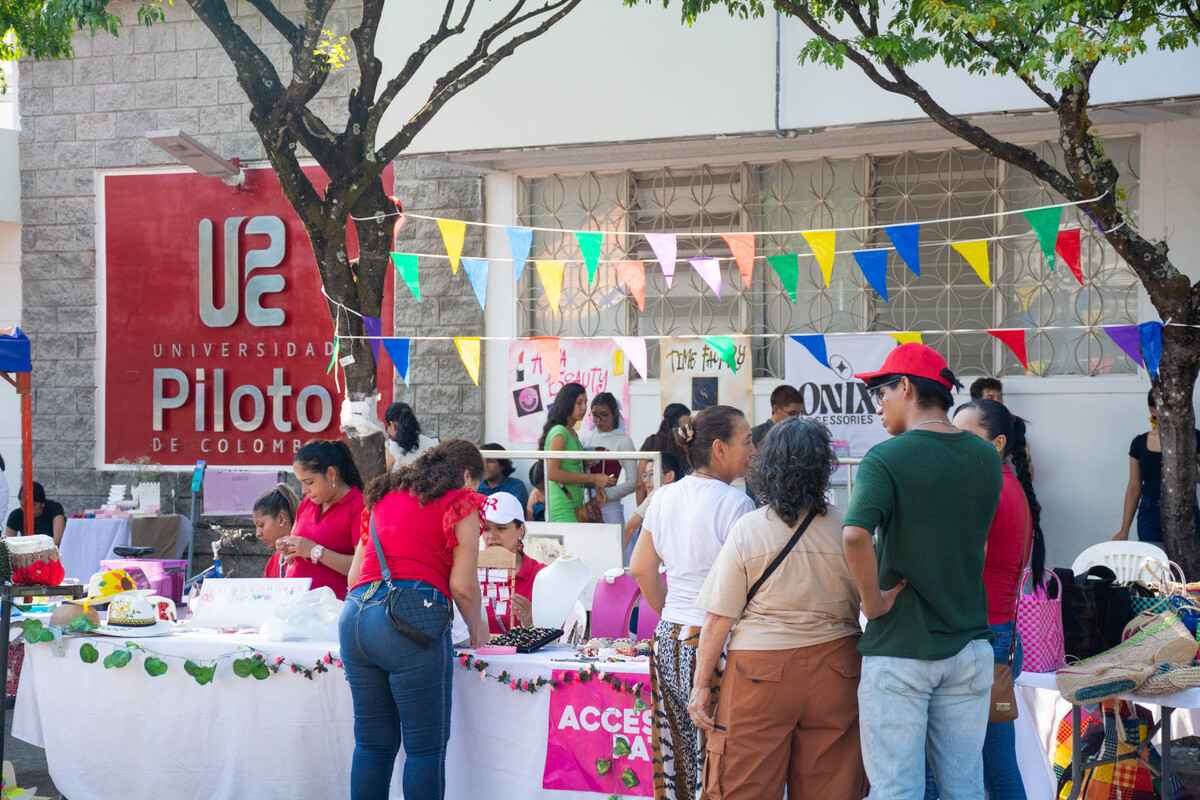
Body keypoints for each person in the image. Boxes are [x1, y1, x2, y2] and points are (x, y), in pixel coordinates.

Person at [843, 343, 1002, 799]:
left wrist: (872, 602)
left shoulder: (886, 458)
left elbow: (854, 535)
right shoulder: (985, 457)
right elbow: (981, 542)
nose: (879, 405)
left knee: (897, 789)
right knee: (965, 787)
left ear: (907, 387)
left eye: (882, 392)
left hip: (901, 648)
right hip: (970, 643)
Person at [688, 417, 866, 799]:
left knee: (744, 785)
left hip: (758, 673)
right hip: (837, 670)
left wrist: (701, 686)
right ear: (823, 468)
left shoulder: (750, 529)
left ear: (769, 467)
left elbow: (719, 618)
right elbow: (872, 601)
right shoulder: (848, 528)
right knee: (831, 787)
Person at [342, 439, 488, 800]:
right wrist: (479, 631)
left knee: (372, 745)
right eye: (478, 485)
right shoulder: (461, 502)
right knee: (424, 749)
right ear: (467, 476)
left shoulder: (381, 497)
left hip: (355, 618)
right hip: (406, 626)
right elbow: (462, 586)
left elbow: (354, 576)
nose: (477, 492)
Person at [630, 406, 756, 800]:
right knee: (719, 759)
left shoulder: (663, 497)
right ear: (719, 448)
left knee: (677, 756)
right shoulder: (736, 504)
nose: (753, 451)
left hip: (668, 635)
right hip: (715, 643)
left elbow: (641, 568)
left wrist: (672, 609)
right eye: (747, 441)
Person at [920, 399, 1040, 800]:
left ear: (997, 443)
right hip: (998, 637)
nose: (955, 446)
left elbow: (965, 562)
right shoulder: (1008, 485)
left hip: (984, 639)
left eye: (966, 437)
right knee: (997, 765)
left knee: (978, 767)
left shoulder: (990, 490)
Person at [1114, 387, 1200, 543]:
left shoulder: (1194, 437)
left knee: (1188, 564)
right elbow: (1134, 487)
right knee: (1154, 563)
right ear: (1153, 410)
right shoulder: (1139, 443)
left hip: (1186, 513)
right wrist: (1124, 529)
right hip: (1151, 514)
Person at [284, 440, 365, 599]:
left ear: (331, 474)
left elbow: (363, 566)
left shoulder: (358, 506)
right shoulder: (308, 503)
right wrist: (289, 547)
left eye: (309, 482)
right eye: (301, 483)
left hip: (330, 609)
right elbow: (298, 543)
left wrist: (315, 551)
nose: (304, 490)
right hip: (295, 603)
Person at [539, 383, 615, 522]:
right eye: (579, 403)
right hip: (562, 506)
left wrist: (596, 483)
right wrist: (594, 478)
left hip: (575, 504)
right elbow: (552, 473)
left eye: (585, 402)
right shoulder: (559, 432)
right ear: (567, 403)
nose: (584, 408)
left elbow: (572, 472)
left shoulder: (572, 433)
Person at [481, 491, 545, 633]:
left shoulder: (541, 575)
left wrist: (531, 621)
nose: (491, 536)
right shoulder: (469, 573)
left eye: (501, 528)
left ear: (520, 531)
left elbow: (553, 639)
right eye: (486, 529)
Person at [583, 392, 638, 526]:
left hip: (610, 507)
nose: (599, 420)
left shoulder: (623, 441)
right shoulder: (586, 439)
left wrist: (606, 495)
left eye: (604, 415)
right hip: (586, 504)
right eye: (595, 415)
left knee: (616, 546)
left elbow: (633, 482)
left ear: (614, 414)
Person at [622, 453, 680, 562]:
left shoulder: (659, 493)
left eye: (652, 474)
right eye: (644, 475)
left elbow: (630, 528)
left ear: (669, 476)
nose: (646, 480)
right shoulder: (685, 494)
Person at [638, 403, 693, 503]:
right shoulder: (685, 445)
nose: (688, 428)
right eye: (686, 424)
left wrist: (640, 512)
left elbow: (640, 484)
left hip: (653, 502)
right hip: (678, 501)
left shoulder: (651, 442)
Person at [253, 484, 299, 579]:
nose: (258, 534)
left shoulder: (306, 555)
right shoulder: (274, 561)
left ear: (281, 519)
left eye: (261, 525)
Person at [384, 402, 438, 473]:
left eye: (386, 426)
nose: (387, 430)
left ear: (392, 424)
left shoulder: (391, 448)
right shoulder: (431, 442)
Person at [477, 443, 529, 510]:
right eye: (482, 461)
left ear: (502, 465)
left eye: (490, 461)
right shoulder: (477, 486)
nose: (485, 465)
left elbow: (513, 512)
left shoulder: (516, 486)